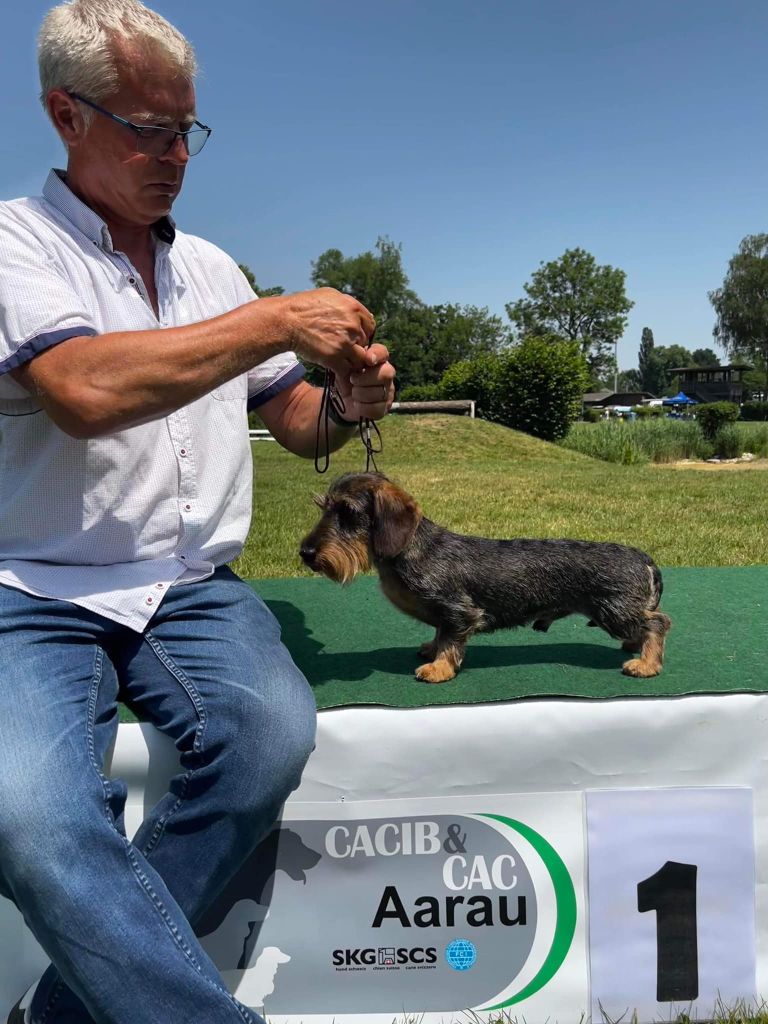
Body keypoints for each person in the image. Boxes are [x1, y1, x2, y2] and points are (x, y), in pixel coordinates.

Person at [0, 1, 395, 1022]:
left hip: (189, 588)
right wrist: (272, 317)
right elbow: (83, 390)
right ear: (65, 115)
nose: (176, 154)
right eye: (148, 128)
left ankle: (67, 1010)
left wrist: (349, 401)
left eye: (187, 129)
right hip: (33, 584)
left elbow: (290, 417)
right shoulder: (15, 244)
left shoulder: (212, 268)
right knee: (25, 815)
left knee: (269, 736)